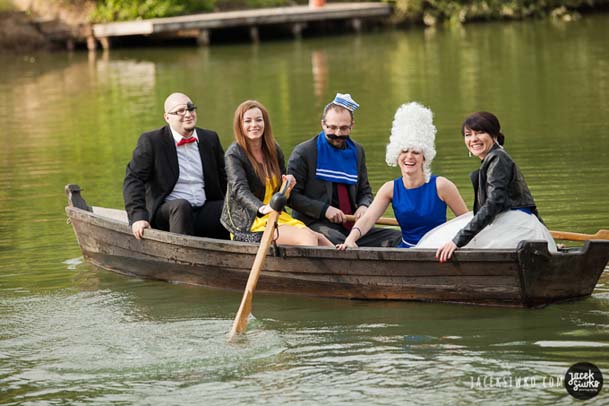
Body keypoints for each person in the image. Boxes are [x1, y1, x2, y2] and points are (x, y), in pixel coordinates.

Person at [337, 102, 468, 250]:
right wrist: (350, 239)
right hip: (405, 252)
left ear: (424, 157)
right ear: (396, 155)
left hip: (438, 252)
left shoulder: (442, 186)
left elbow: (467, 222)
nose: (409, 157)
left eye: (416, 152)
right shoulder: (389, 189)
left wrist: (456, 244)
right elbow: (368, 218)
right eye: (404, 151)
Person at [432, 111, 557, 262]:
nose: (473, 139)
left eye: (480, 132)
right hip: (520, 223)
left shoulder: (497, 158)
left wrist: (457, 240)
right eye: (468, 134)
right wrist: (547, 237)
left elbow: (494, 203)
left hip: (513, 226)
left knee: (444, 243)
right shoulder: (496, 157)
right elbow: (529, 202)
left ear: (494, 135)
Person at [288, 93, 402, 246]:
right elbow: (291, 197)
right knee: (338, 241)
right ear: (323, 124)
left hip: (352, 225)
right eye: (332, 127)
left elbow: (365, 191)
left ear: (352, 125)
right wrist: (324, 210)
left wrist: (363, 206)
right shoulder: (304, 152)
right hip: (316, 224)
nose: (337, 133)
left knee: (398, 237)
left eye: (343, 128)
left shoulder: (357, 151)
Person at [220, 100, 334, 246]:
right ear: (240, 126)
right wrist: (262, 208)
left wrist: (288, 185)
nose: (254, 125)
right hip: (250, 222)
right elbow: (239, 190)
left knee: (320, 238)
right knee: (307, 239)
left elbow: (281, 192)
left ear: (265, 123)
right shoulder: (234, 154)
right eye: (248, 121)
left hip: (276, 216)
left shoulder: (273, 149)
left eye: (259, 120)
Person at [123, 92, 229, 240]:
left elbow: (226, 178)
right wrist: (138, 216)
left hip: (202, 209)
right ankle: (181, 259)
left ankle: (229, 256)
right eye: (180, 111)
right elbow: (134, 179)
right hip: (168, 213)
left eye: (191, 108)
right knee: (181, 206)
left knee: (228, 208)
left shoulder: (210, 139)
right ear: (167, 117)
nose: (188, 114)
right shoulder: (152, 141)